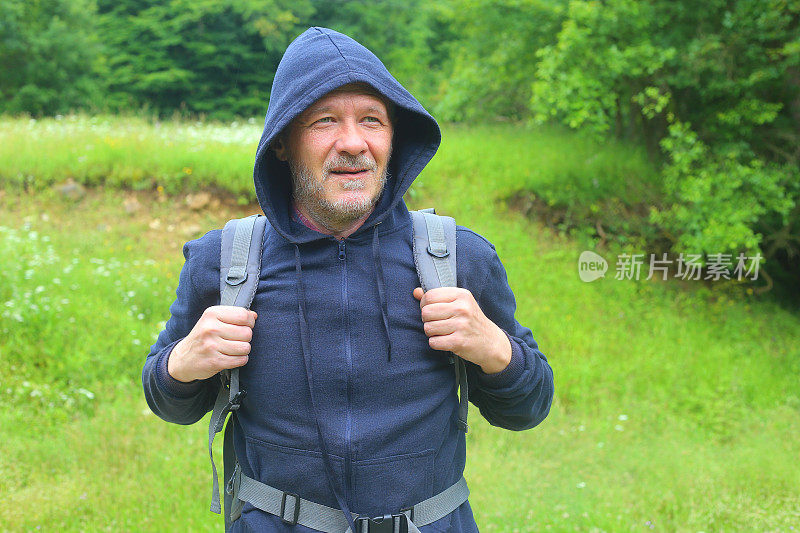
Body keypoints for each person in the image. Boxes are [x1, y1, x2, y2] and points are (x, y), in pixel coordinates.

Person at [142, 27, 554, 532]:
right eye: (325, 121)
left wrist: (495, 349)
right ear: (282, 143)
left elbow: (529, 407)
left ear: (394, 138)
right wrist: (181, 365)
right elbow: (167, 400)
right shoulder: (224, 261)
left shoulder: (458, 259)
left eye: (372, 121)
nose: (354, 143)